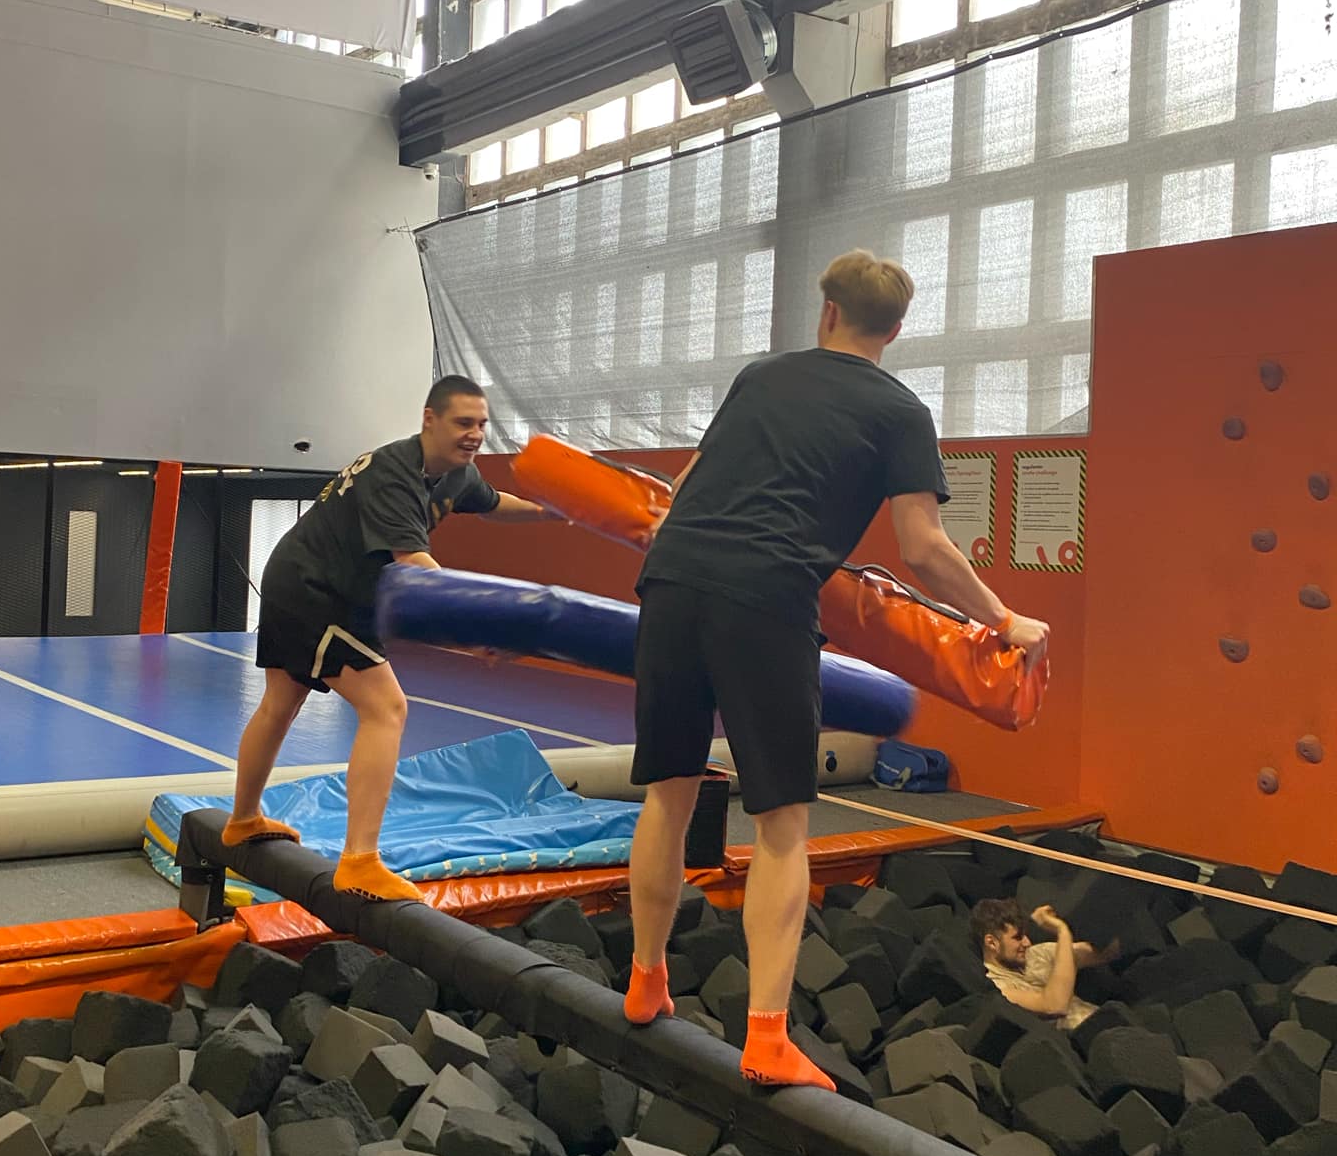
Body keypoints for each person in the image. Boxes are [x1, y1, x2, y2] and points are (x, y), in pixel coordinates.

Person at [622, 250, 1050, 1089]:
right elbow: (923, 549)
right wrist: (1004, 619)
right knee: (782, 823)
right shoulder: (901, 411)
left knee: (669, 792)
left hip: (671, 581)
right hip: (767, 597)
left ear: (827, 311)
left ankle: (645, 983)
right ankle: (766, 1037)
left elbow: (684, 489)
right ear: (896, 329)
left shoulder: (761, 377)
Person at [225, 375, 554, 900]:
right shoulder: (393, 472)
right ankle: (359, 861)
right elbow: (414, 564)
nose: (475, 434)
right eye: (463, 423)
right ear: (430, 420)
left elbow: (493, 502)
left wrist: (549, 512)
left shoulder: (457, 474)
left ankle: (242, 820)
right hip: (318, 589)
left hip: (308, 579)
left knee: (280, 704)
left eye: (481, 424)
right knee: (387, 709)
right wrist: (476, 626)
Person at [972, 898, 1119, 1030]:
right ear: (992, 942)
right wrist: (1062, 931)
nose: (1027, 943)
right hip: (1085, 1042)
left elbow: (1105, 953)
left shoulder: (1036, 953)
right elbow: (1055, 1006)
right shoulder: (999, 988)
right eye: (1017, 937)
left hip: (1110, 1022)